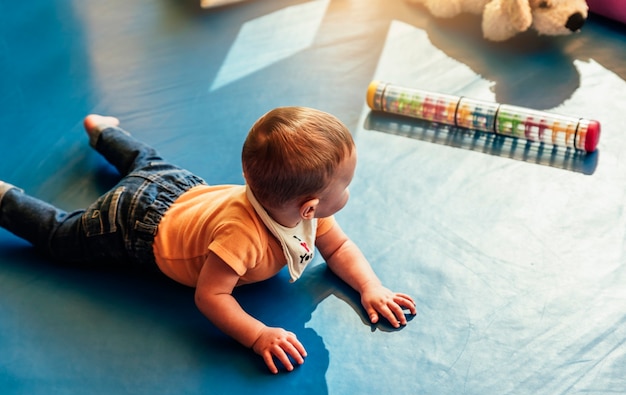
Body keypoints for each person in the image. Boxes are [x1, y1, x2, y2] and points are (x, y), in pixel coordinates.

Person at [0, 107, 417, 374]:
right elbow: (211, 296)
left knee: (148, 162)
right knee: (62, 236)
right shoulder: (242, 237)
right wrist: (257, 335)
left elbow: (339, 249)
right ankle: (9, 200)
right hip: (134, 225)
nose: (348, 195)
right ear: (308, 208)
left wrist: (370, 286)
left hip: (181, 188)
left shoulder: (306, 215)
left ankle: (105, 132)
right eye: (346, 186)